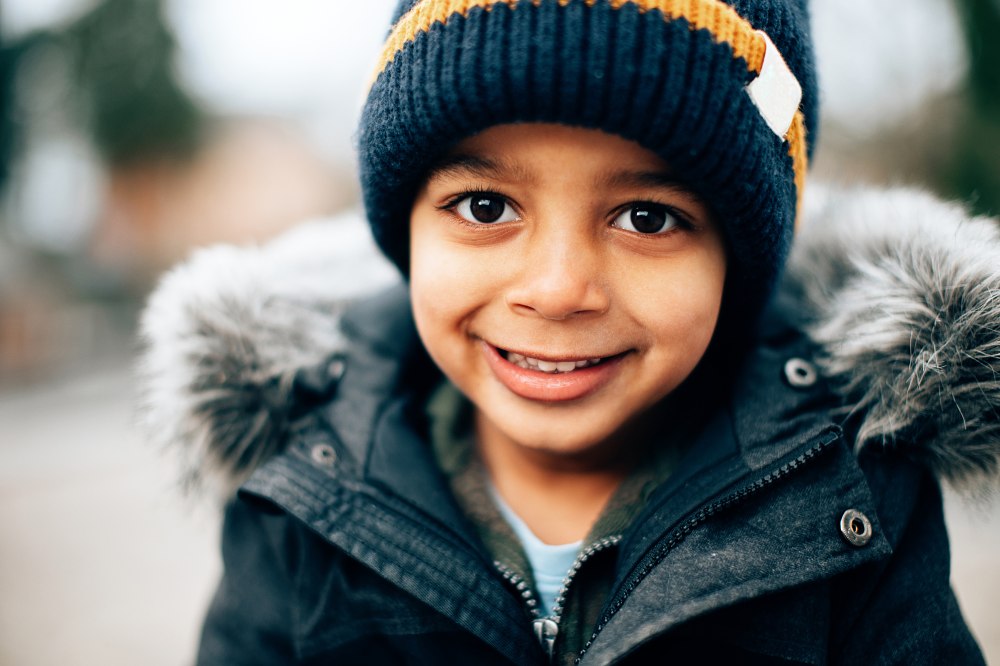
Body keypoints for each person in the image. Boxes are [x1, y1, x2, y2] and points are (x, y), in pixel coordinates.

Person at [139, 0, 999, 663]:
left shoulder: (853, 505)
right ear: (404, 230)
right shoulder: (301, 496)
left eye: (647, 217)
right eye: (485, 207)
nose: (557, 291)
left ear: (739, 260)